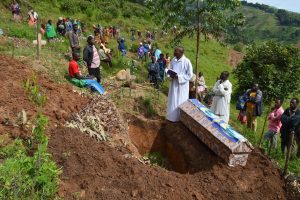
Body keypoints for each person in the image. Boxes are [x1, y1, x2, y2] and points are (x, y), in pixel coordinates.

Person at [166, 47, 193, 122]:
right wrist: (169, 74)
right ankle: (170, 117)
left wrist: (179, 77)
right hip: (173, 83)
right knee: (172, 100)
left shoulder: (186, 61)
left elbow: (190, 75)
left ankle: (179, 119)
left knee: (180, 101)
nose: (174, 53)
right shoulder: (173, 60)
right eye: (174, 51)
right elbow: (169, 69)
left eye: (176, 52)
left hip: (182, 86)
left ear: (181, 53)